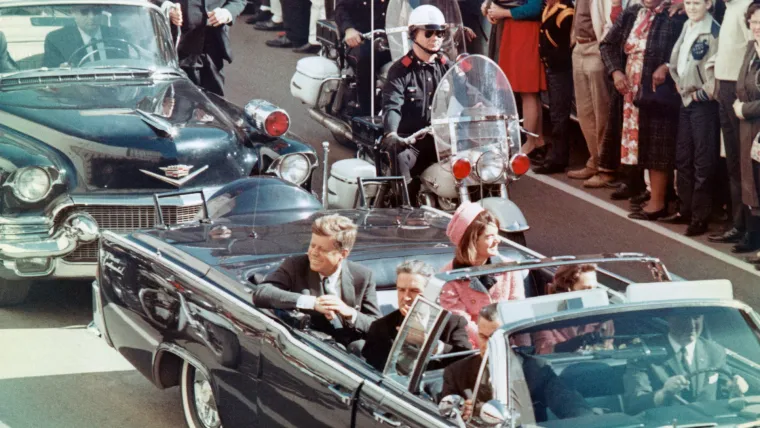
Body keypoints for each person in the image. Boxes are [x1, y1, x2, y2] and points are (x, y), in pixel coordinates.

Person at [600, 0, 686, 221]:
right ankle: (649, 194)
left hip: (658, 90)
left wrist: (667, 66)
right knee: (639, 143)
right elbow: (607, 44)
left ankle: (659, 201)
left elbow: (682, 49)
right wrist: (615, 72)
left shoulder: (674, 16)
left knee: (658, 143)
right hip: (630, 87)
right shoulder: (632, 13)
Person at [441, 303, 594, 422]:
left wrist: (586, 418)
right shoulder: (456, 373)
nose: (488, 346)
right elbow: (446, 415)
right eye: (483, 337)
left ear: (512, 338)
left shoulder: (535, 369)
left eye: (495, 339)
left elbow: (570, 404)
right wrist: (461, 414)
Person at [252, 214, 382, 344]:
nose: (313, 252)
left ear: (343, 254)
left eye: (322, 249)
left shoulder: (363, 276)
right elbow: (262, 293)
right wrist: (312, 303)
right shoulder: (296, 266)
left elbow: (378, 326)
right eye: (312, 245)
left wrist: (350, 313)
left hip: (350, 355)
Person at [660, 0, 720, 237]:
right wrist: (678, 81)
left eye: (697, 3)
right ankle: (684, 208)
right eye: (688, 2)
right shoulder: (688, 25)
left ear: (708, 4)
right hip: (685, 99)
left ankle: (700, 216)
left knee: (702, 160)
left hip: (701, 103)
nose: (692, 7)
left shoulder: (714, 31)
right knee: (683, 157)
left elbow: (716, 71)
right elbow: (678, 59)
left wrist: (701, 94)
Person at [381, 5, 452, 205]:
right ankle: (405, 212)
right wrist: (392, 133)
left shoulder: (446, 64)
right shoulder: (400, 70)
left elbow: (468, 91)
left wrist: (486, 108)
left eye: (440, 33)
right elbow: (392, 105)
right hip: (411, 143)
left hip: (442, 140)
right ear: (413, 34)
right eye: (429, 32)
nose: (435, 37)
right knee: (402, 162)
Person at [623, 314, 748, 414]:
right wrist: (664, 393)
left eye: (696, 317)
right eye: (683, 318)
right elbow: (634, 404)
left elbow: (725, 388)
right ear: (668, 318)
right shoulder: (644, 354)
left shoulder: (714, 351)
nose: (691, 325)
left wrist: (735, 387)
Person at [439, 202, 525, 347]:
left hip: (510, 341)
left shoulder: (509, 267)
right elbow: (461, 322)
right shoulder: (448, 277)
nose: (497, 240)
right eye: (489, 236)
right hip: (472, 348)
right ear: (471, 241)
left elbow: (517, 309)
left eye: (497, 234)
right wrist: (491, 343)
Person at [362, 260, 472, 371]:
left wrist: (429, 344)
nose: (406, 297)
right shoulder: (380, 328)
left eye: (414, 291)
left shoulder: (452, 323)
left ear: (432, 293)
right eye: (401, 290)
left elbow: (466, 361)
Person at [563, 0, 624, 188]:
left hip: (596, 47)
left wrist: (603, 45)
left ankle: (606, 168)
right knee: (584, 113)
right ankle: (594, 160)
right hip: (580, 48)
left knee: (601, 113)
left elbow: (612, 20)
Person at [707, 0, 752, 246]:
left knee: (742, 162)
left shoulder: (747, 6)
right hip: (725, 85)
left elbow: (753, 47)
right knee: (733, 161)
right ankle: (739, 222)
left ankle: (747, 226)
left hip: (738, 87)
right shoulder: (729, 7)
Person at [485, 0, 547, 163]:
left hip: (525, 32)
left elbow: (535, 8)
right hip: (515, 32)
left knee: (528, 92)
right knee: (528, 93)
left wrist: (502, 13)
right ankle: (537, 140)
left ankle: (531, 142)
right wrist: (489, 9)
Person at [155, 0, 246, 96]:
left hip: (212, 51)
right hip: (177, 49)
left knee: (214, 103)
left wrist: (227, 12)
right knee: (176, 102)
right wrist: (168, 8)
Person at [533, 0, 576, 174]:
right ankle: (557, 155)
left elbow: (565, 46)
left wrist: (554, 59)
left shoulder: (565, 11)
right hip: (552, 67)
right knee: (555, 112)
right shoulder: (549, 7)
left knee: (559, 115)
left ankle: (559, 158)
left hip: (560, 69)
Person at [533, 264, 615, 354]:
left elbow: (608, 349)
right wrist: (574, 343)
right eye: (586, 289)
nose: (593, 294)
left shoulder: (603, 317)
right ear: (567, 291)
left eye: (595, 288)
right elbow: (544, 351)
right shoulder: (544, 316)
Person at [731, 2, 760, 254]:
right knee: (749, 177)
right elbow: (742, 83)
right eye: (754, 22)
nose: (757, 27)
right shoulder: (752, 47)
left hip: (754, 119)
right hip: (747, 124)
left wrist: (745, 109)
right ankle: (753, 234)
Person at [334, 0, 391, 116]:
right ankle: (366, 113)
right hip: (360, 39)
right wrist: (349, 29)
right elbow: (341, 8)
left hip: (392, 40)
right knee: (367, 58)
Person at [43, 5, 127, 68]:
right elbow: (48, 74)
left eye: (96, 11)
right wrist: (60, 69)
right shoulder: (56, 39)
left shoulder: (117, 35)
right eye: (84, 11)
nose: (92, 17)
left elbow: (127, 65)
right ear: (74, 13)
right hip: (76, 89)